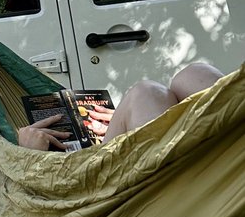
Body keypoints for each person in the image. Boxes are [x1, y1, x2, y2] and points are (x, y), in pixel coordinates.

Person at [17, 62, 226, 151]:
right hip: (94, 177)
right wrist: (32, 157)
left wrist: (125, 120)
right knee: (145, 92)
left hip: (112, 161)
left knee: (194, 74)